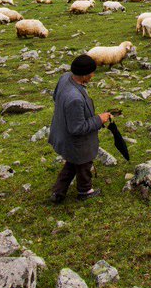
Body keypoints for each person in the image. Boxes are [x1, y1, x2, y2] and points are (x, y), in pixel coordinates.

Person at [48, 54, 112, 203]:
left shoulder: (65, 77)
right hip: (75, 140)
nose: (93, 75)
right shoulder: (75, 98)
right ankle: (84, 191)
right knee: (83, 162)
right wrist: (99, 119)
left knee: (72, 162)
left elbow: (55, 97)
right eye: (91, 73)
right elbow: (77, 128)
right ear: (84, 75)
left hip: (62, 130)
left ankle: (58, 192)